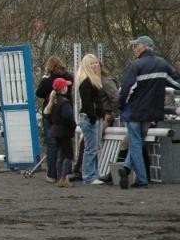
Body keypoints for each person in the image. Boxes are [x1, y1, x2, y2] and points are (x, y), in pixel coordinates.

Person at [117, 35, 180, 189]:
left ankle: (141, 179)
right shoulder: (162, 63)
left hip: (134, 111)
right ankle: (126, 168)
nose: (133, 49)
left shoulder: (135, 65)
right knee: (139, 142)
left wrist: (120, 106)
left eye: (136, 46)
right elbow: (176, 82)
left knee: (135, 143)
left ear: (144, 47)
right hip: (152, 112)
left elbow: (126, 89)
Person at [35, 56, 74, 183]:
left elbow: (39, 93)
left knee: (52, 145)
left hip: (51, 114)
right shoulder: (69, 77)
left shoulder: (48, 80)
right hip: (65, 113)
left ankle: (52, 174)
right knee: (66, 146)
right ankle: (65, 173)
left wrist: (44, 79)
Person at [75, 54, 105, 184]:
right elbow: (87, 102)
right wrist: (92, 116)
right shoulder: (86, 81)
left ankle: (94, 174)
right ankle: (88, 176)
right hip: (89, 117)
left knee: (94, 148)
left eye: (96, 63)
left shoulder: (94, 81)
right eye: (91, 63)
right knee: (90, 149)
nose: (94, 65)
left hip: (94, 117)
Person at [46, 77, 76, 188]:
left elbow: (48, 116)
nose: (67, 87)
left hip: (55, 131)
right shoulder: (64, 102)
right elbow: (68, 116)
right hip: (64, 131)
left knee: (61, 154)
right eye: (66, 86)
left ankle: (59, 177)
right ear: (63, 88)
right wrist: (73, 125)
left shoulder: (53, 100)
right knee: (69, 155)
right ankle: (63, 178)